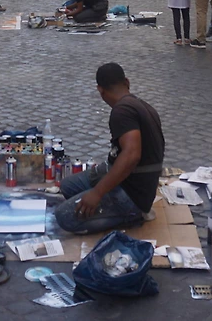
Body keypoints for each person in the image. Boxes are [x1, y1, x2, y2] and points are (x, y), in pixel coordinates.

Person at [53, 63, 165, 234]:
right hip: (130, 180)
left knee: (64, 216)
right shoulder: (141, 105)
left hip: (132, 193)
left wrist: (97, 193)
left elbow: (131, 155)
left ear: (100, 90)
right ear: (127, 82)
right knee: (68, 186)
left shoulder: (122, 111)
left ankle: (132, 215)